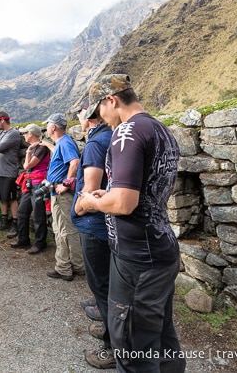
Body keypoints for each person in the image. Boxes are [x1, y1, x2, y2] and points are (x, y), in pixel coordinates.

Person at [76, 74, 185, 373]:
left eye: (100, 112)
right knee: (161, 334)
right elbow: (158, 189)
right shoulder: (161, 130)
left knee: (133, 344)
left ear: (111, 100)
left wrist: (90, 202)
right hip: (161, 249)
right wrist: (109, 194)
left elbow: (125, 204)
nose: (102, 119)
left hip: (137, 258)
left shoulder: (126, 133)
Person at [70, 98, 115, 369]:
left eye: (80, 114)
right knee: (107, 285)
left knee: (103, 286)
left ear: (89, 117)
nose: (78, 118)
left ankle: (112, 346)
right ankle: (111, 331)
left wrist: (79, 206)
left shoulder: (97, 143)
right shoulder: (111, 137)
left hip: (95, 226)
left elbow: (91, 187)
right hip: (106, 226)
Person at [40, 112, 83, 281]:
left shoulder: (64, 143)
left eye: (48, 125)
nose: (47, 128)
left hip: (61, 195)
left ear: (53, 127)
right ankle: (78, 265)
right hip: (58, 193)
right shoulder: (62, 143)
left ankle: (64, 267)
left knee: (63, 230)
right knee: (66, 229)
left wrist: (65, 184)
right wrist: (48, 146)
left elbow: (75, 162)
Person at [9, 123, 50, 254]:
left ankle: (40, 243)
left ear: (31, 134)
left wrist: (27, 152)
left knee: (38, 214)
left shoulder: (41, 148)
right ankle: (23, 239)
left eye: (25, 133)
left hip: (37, 184)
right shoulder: (35, 148)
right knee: (22, 211)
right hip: (30, 183)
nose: (23, 135)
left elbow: (28, 165)